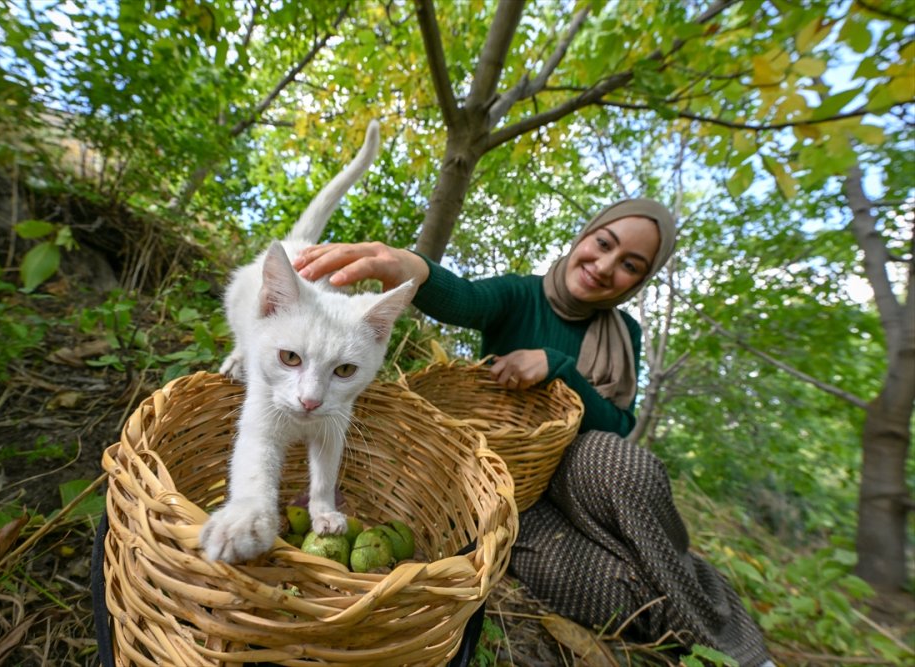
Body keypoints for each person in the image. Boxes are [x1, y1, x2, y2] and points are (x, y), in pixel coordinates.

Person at [294, 198, 774, 666]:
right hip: (517, 488)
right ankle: (681, 603)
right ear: (584, 236)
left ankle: (733, 648)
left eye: (630, 264)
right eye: (603, 243)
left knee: (623, 465)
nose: (605, 266)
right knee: (581, 579)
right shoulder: (520, 294)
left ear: (639, 281)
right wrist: (416, 269)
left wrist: (559, 367)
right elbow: (466, 298)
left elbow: (621, 424)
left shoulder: (623, 330)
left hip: (579, 468)